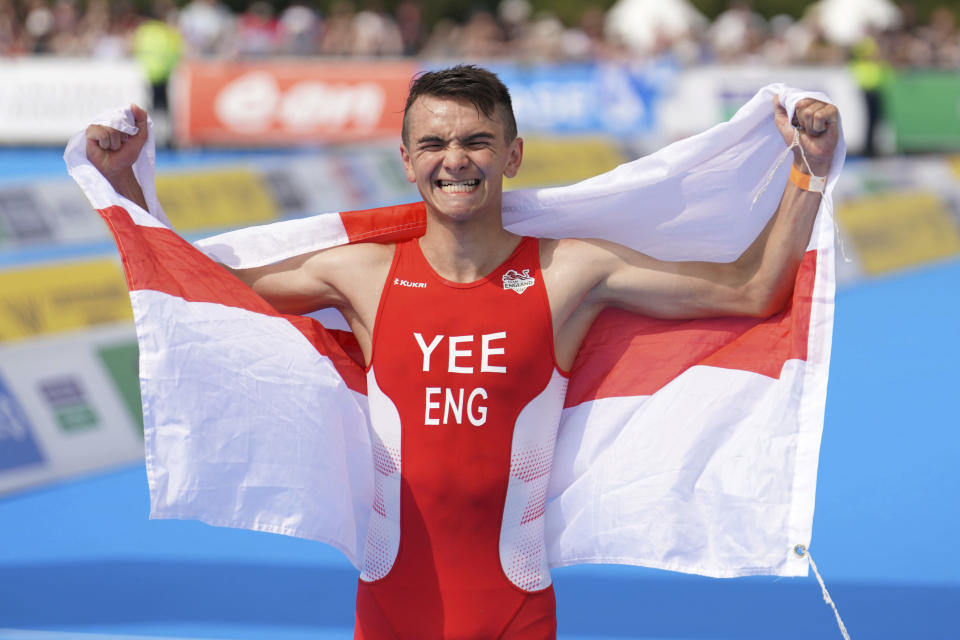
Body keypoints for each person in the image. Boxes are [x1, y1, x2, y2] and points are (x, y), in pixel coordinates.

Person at [85, 65, 838, 638]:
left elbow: (750, 293)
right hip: (388, 602)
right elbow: (198, 299)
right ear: (407, 161)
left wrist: (808, 170)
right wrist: (126, 186)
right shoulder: (362, 274)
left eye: (477, 141)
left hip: (513, 604)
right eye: (435, 143)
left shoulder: (570, 271)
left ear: (511, 155)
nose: (456, 160)